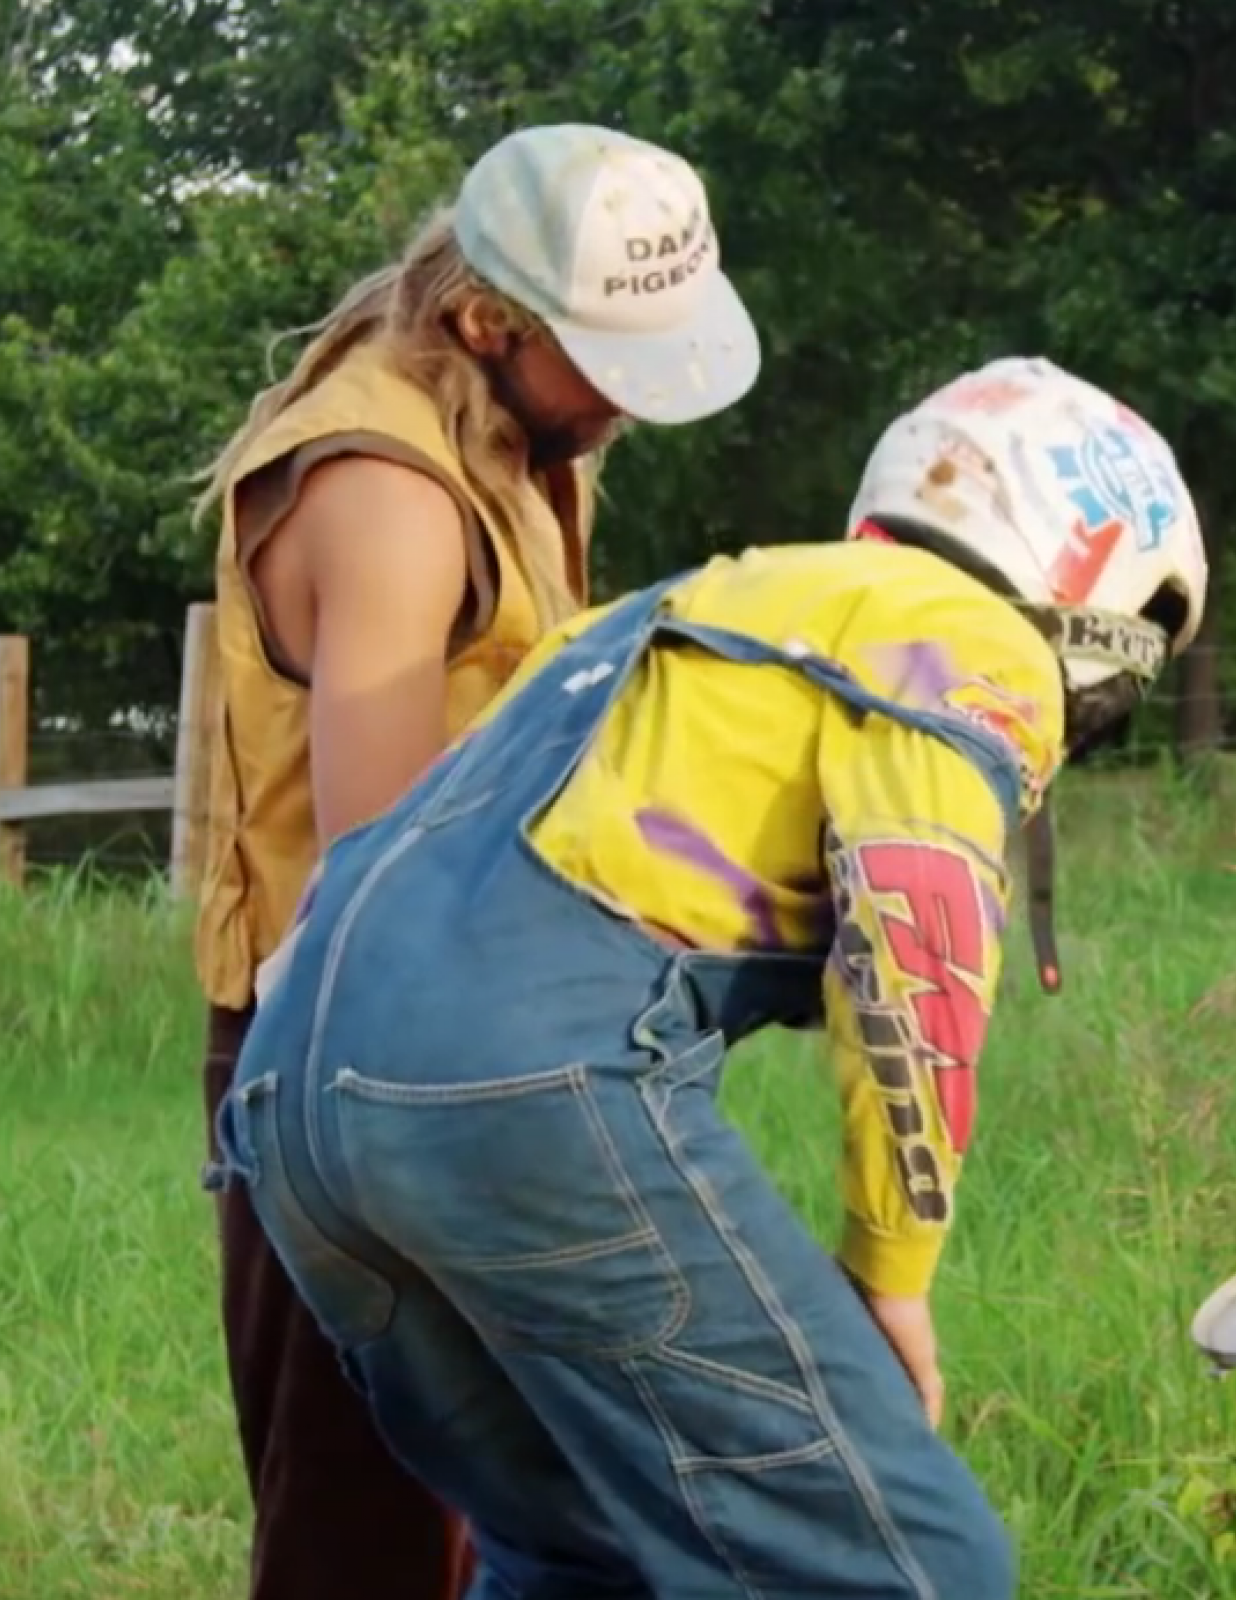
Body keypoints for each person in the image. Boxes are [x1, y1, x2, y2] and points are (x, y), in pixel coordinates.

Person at [202, 355, 1208, 1597]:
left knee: (587, 1558)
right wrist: (892, 1276)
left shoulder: (698, 601)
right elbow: (919, 941)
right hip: (504, 1088)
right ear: (1090, 581)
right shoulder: (961, 636)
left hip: (293, 1104)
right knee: (911, 1566)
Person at [187, 122, 761, 1600]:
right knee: (366, 1535)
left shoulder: (511, 430)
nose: (635, 401)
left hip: (476, 1046)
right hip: (351, 1066)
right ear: (489, 321)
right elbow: (384, 880)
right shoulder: (386, 492)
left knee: (522, 1520)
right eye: (608, 360)